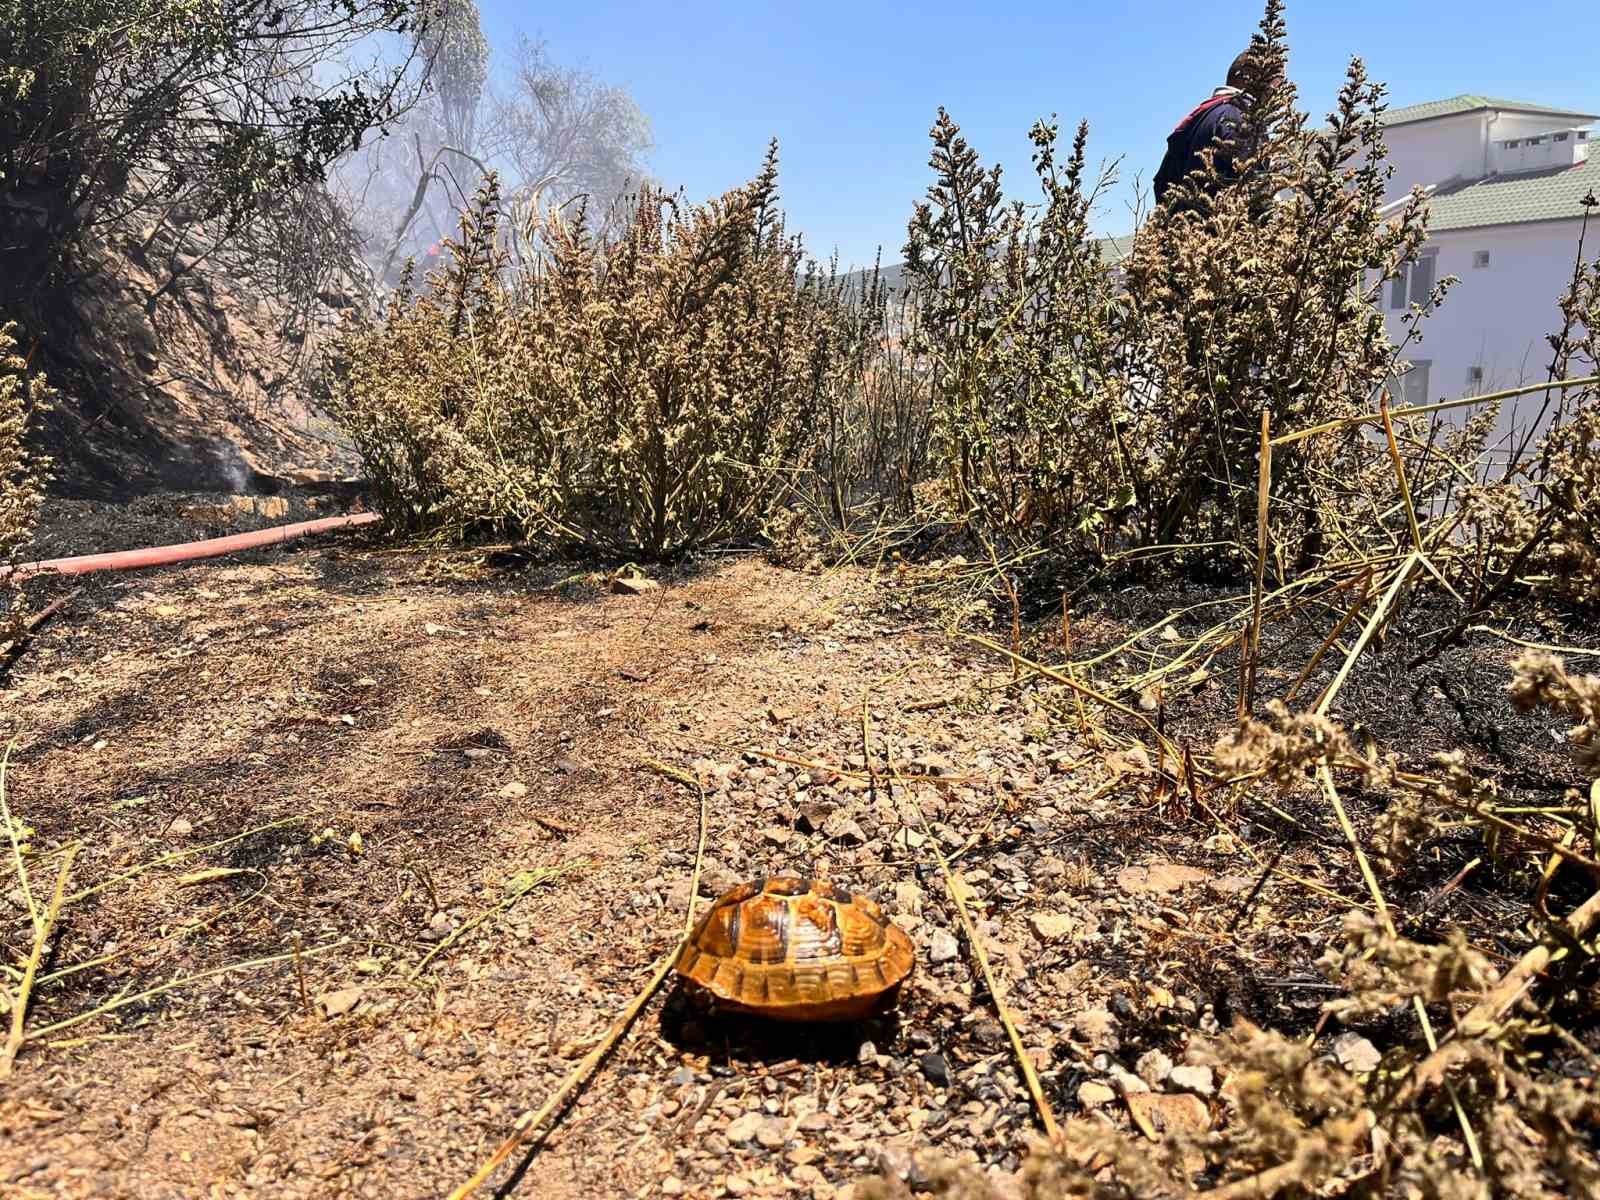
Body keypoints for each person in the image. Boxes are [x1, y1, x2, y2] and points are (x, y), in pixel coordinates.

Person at [1152, 50, 1259, 209]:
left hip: (1185, 229)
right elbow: (1256, 187)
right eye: (1278, 84)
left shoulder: (1199, 118)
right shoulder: (1239, 117)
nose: (1281, 93)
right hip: (1228, 229)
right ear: (1249, 77)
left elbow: (1162, 185)